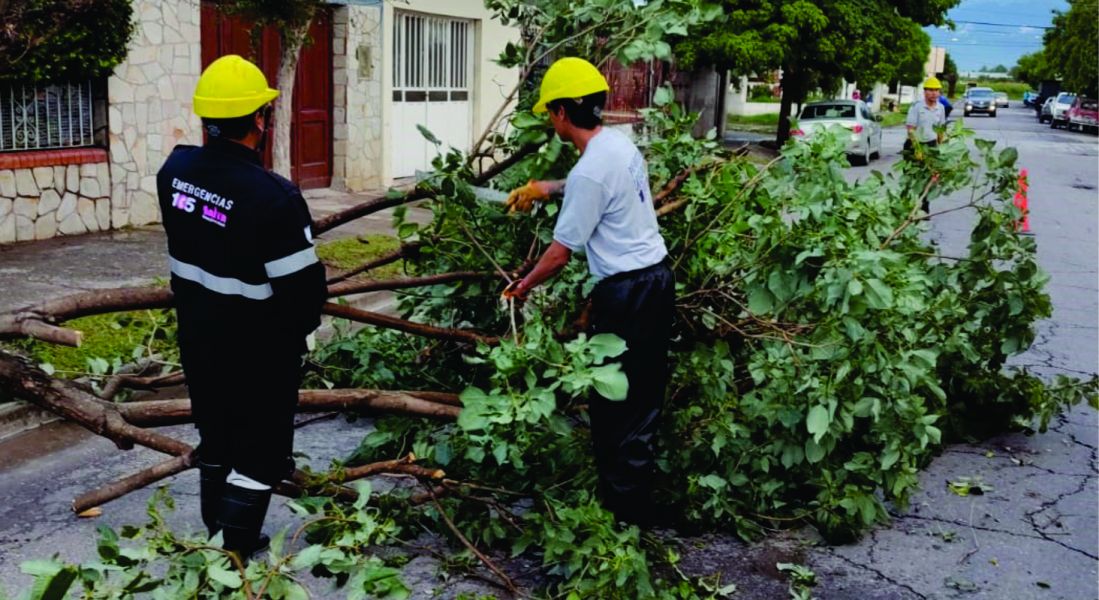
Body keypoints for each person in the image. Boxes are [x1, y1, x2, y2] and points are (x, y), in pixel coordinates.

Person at [156, 55, 327, 557]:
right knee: (261, 452)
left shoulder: (175, 171)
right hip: (258, 350)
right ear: (259, 119)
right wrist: (299, 334)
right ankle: (235, 546)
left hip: (198, 336)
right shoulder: (274, 197)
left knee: (216, 433)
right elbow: (303, 293)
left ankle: (216, 532)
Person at [502, 58, 675, 527]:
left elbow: (559, 254)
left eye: (549, 112)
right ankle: (635, 509)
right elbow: (591, 186)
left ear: (561, 112)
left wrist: (521, 286)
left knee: (615, 409)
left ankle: (624, 522)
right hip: (657, 281)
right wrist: (543, 188)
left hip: (627, 295)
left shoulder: (589, 172)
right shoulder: (619, 145)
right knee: (643, 400)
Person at [904, 76, 947, 161]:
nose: (934, 93)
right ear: (925, 92)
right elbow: (911, 130)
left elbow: (940, 130)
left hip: (932, 145)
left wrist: (942, 148)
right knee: (913, 172)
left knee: (933, 172)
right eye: (931, 90)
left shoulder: (941, 107)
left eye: (936, 90)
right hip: (915, 144)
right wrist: (917, 149)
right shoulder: (916, 106)